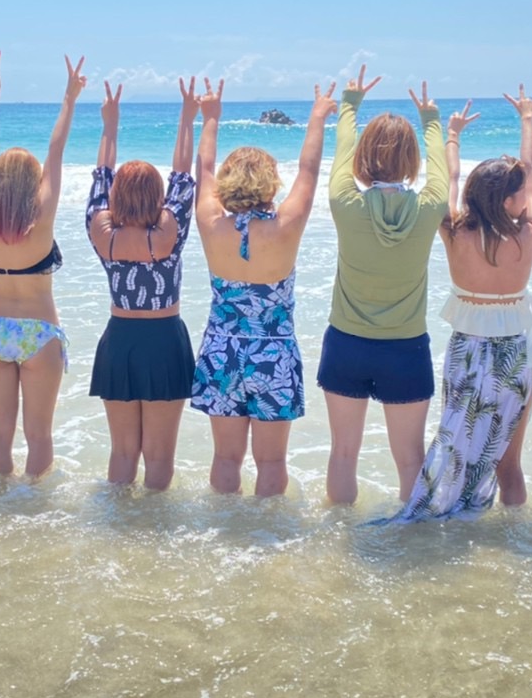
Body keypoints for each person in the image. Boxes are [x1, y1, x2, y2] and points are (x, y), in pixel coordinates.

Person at [374, 84, 532, 524]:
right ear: (508, 200)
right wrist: (527, 119)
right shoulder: (528, 235)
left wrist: (451, 136)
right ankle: (511, 535)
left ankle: (440, 513)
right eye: (521, 192)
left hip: (466, 351)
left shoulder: (453, 231)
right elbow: (530, 168)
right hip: (511, 356)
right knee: (508, 462)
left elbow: (446, 181)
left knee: (456, 442)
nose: (526, 196)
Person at [191, 80, 337, 496]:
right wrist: (317, 117)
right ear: (270, 183)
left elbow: (203, 170)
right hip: (273, 354)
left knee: (225, 458)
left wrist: (211, 118)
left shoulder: (211, 222)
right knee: (272, 462)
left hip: (222, 350)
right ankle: (265, 532)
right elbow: (308, 171)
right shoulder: (285, 228)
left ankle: (225, 526)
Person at [318, 70, 449, 505]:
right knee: (410, 459)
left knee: (343, 453)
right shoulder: (431, 208)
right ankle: (410, 537)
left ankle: (340, 536)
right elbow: (441, 173)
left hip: (346, 343)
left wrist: (349, 104)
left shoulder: (344, 202)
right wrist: (431, 121)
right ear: (411, 159)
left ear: (363, 158)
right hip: (405, 349)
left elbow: (342, 152)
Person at [87, 76, 197, 490]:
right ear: (158, 197)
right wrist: (188, 117)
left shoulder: (102, 233)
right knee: (159, 455)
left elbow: (101, 176)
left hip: (119, 340)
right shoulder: (171, 234)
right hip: (165, 339)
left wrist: (109, 126)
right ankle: (154, 525)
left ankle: (119, 521)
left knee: (121, 453)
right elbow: (183, 176)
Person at [0, 51, 79, 478]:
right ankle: (34, 509)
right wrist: (69, 98)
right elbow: (56, 148)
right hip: (39, 332)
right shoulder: (41, 219)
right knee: (40, 436)